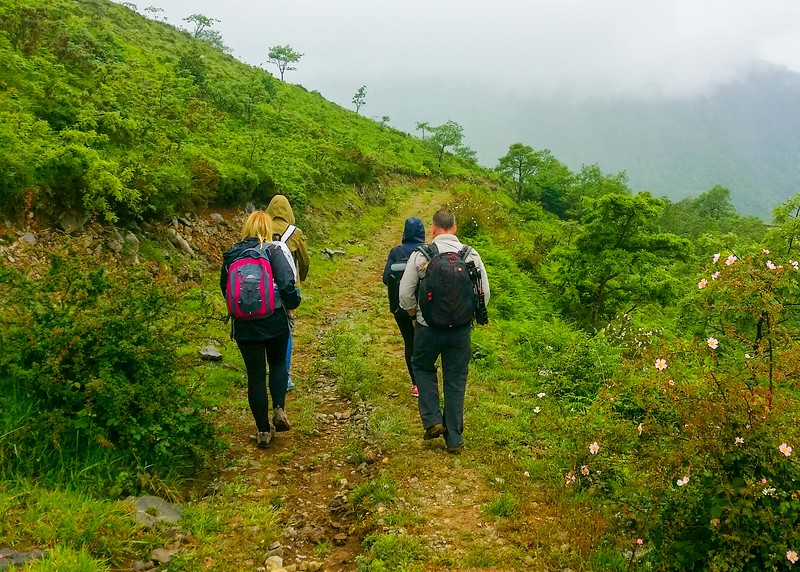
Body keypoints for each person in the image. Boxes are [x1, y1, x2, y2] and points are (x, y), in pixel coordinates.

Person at [398, 209, 490, 454]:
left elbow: (405, 294)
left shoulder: (422, 255)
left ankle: (432, 420)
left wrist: (414, 316)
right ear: (455, 229)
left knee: (423, 367)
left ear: (433, 229)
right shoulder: (471, 256)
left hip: (428, 328)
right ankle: (455, 439)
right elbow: (484, 294)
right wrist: (466, 316)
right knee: (456, 380)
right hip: (460, 330)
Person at [220, 210, 301, 448]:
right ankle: (278, 408)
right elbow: (287, 283)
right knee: (277, 364)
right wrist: (292, 304)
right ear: (266, 228)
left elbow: (226, 289)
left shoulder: (233, 254)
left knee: (255, 376)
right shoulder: (274, 249)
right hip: (274, 318)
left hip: (245, 325)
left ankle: (263, 431)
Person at [266, 195, 310, 392]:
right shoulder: (295, 232)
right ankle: (285, 375)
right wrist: (301, 278)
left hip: (265, 287)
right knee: (287, 330)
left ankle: (269, 369)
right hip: (290, 285)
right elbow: (305, 261)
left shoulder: (262, 229)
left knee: (266, 325)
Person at [382, 216, 425, 397]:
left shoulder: (396, 251)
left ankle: (416, 384)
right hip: (423, 308)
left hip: (400, 308)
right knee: (423, 343)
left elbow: (386, 278)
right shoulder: (426, 251)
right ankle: (426, 380)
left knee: (409, 342)